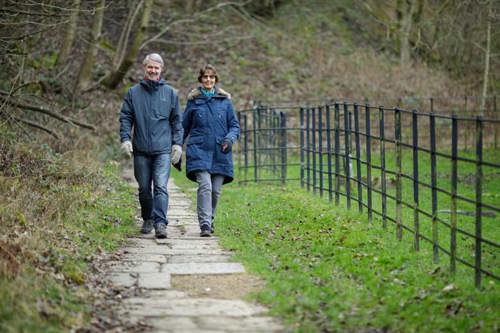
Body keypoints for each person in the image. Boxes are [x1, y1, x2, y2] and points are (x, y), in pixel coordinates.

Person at [119, 53, 183, 239]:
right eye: (150, 67)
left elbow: (177, 121)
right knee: (144, 188)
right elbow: (126, 117)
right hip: (141, 150)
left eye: (156, 67)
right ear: (144, 68)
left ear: (161, 70)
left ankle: (160, 223)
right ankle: (147, 218)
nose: (153, 70)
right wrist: (125, 139)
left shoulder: (170, 93)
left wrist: (177, 144)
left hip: (163, 150)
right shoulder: (133, 93)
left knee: (161, 187)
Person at [182, 64, 240, 237]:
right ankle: (205, 224)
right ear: (200, 80)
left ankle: (211, 218)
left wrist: (230, 138)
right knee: (205, 186)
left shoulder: (225, 101)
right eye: (205, 77)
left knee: (215, 190)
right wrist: (176, 147)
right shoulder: (193, 101)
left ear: (215, 80)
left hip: (220, 152)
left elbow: (235, 126)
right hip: (198, 150)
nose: (208, 80)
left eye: (212, 77)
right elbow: (183, 127)